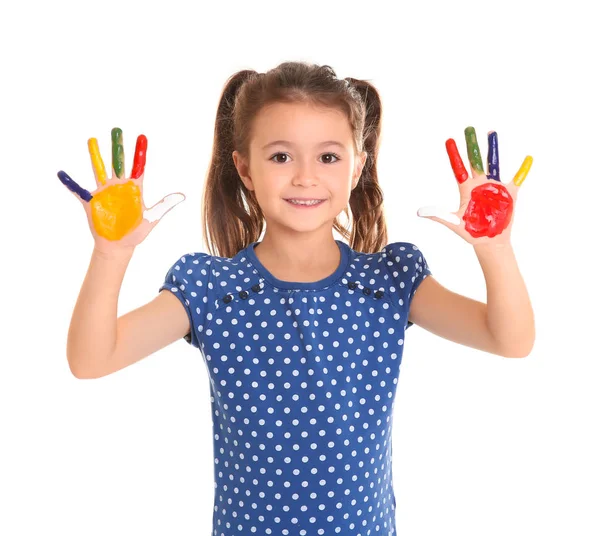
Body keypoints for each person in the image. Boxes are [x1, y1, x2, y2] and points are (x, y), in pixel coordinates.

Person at [59, 61, 535, 536]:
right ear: (245, 168)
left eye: (328, 157)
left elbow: (509, 339)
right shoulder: (211, 289)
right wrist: (111, 254)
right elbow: (92, 358)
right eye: (281, 157)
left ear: (357, 167)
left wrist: (495, 248)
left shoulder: (389, 282)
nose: (306, 177)